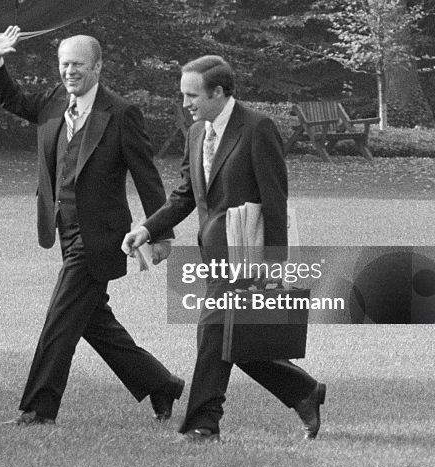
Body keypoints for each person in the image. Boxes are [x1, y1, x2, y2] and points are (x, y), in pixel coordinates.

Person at [0, 25, 185, 426]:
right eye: (63, 64)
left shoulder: (121, 113)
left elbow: (146, 176)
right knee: (94, 322)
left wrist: (160, 233)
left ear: (97, 68)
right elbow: (14, 100)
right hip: (64, 230)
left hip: (102, 237)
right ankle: (161, 384)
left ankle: (39, 410)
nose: (69, 72)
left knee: (60, 319)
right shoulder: (54, 101)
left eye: (77, 64)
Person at [121, 55, 326, 442]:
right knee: (235, 339)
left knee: (213, 334)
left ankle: (203, 423)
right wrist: (147, 230)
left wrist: (275, 265)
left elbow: (275, 199)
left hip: (248, 256)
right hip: (213, 257)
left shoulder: (257, 128)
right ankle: (302, 391)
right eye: (184, 94)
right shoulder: (197, 133)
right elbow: (185, 196)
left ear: (218, 92)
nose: (186, 103)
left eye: (192, 95)